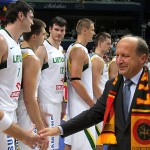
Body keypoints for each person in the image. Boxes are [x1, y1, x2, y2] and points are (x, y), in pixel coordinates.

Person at [39, 35, 150, 150]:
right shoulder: (112, 85)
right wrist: (59, 129)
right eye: (117, 55)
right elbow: (93, 115)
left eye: (125, 56)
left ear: (143, 58)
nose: (119, 61)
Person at [0, 0, 34, 149]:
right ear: (21, 16)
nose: (32, 22)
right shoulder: (2, 40)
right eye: (31, 17)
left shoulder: (15, 43)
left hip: (10, 112)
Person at [64, 18, 96, 150]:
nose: (94, 33)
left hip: (75, 106)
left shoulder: (72, 47)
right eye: (92, 30)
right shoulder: (79, 50)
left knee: (70, 145)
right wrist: (93, 105)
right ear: (85, 30)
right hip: (82, 107)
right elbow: (76, 81)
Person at [35, 16, 67, 150]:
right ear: (50, 29)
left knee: (53, 143)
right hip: (45, 103)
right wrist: (37, 109)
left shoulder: (61, 50)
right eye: (56, 29)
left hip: (57, 101)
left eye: (62, 30)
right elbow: (33, 81)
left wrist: (63, 103)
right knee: (44, 143)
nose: (59, 33)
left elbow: (60, 79)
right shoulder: (42, 49)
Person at [16, 18, 49, 150]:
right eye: (43, 33)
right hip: (25, 113)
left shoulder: (17, 51)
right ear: (34, 37)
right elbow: (30, 99)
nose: (45, 36)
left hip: (14, 109)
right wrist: (42, 130)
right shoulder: (32, 59)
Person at [90, 32, 111, 150]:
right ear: (100, 43)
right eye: (108, 43)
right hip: (98, 103)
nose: (110, 46)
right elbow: (95, 85)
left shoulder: (98, 59)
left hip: (98, 101)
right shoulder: (97, 60)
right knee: (99, 138)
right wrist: (105, 104)